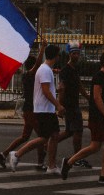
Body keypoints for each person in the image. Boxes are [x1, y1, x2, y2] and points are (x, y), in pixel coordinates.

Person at [60, 51, 104, 184]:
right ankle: (69, 162)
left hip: (103, 117)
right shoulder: (99, 77)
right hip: (98, 117)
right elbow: (96, 97)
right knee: (95, 146)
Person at [8, 43, 64, 174]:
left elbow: (47, 90)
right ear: (55, 56)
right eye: (58, 55)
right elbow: (45, 91)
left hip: (45, 109)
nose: (59, 58)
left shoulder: (46, 69)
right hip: (44, 109)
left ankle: (51, 165)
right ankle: (17, 154)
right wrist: (58, 105)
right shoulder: (45, 70)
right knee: (45, 137)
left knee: (53, 135)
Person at [0, 41, 46, 171]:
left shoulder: (28, 76)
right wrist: (43, 48)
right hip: (32, 110)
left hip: (28, 109)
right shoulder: (30, 75)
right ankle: (40, 163)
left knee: (25, 136)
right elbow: (38, 64)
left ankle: (3, 154)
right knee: (42, 137)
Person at [55, 44, 91, 167]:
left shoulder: (74, 69)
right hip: (70, 105)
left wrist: (88, 98)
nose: (76, 55)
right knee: (78, 131)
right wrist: (60, 106)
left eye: (78, 53)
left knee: (69, 131)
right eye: (74, 53)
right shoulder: (65, 70)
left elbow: (79, 85)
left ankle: (49, 143)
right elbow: (62, 89)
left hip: (73, 103)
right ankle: (77, 158)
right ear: (70, 54)